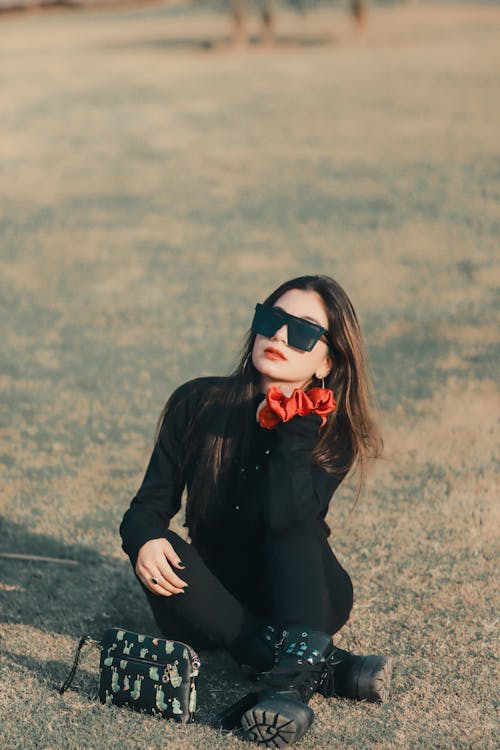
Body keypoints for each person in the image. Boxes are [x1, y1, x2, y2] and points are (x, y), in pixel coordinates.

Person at [119, 274, 392, 747]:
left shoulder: (333, 434)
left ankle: (286, 688)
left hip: (304, 594)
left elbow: (288, 522)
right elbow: (145, 510)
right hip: (205, 594)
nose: (281, 336)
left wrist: (294, 426)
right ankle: (319, 668)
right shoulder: (196, 403)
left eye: (304, 331)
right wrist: (143, 539)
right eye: (272, 319)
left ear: (327, 361)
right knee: (167, 548)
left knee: (297, 527)